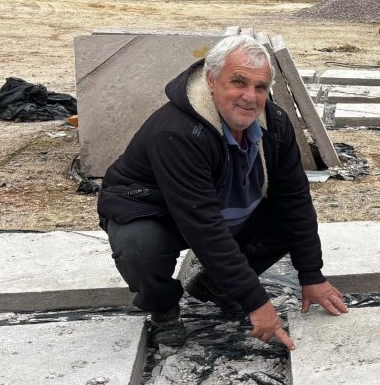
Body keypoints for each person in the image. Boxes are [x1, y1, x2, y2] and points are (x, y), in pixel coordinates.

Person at [97, 34, 347, 348]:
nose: (250, 97)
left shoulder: (275, 124)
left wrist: (311, 274)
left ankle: (216, 287)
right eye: (238, 83)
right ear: (212, 81)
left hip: (214, 206)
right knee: (139, 247)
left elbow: (295, 200)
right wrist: (256, 302)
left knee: (287, 221)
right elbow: (203, 227)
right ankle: (163, 309)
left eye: (259, 87)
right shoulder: (178, 132)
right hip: (152, 207)